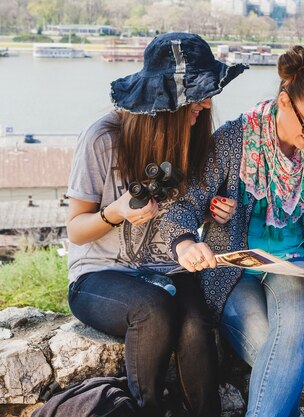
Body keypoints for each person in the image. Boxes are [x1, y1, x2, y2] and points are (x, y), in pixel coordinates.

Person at [159, 44, 304, 417]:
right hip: (234, 273)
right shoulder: (233, 140)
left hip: (298, 268)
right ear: (285, 102)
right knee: (282, 353)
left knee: (290, 336)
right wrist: (186, 241)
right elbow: (186, 204)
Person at [65, 32, 246, 417]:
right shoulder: (102, 138)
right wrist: (115, 212)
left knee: (197, 324)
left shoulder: (192, 138)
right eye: (198, 95)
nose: (209, 102)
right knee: (153, 310)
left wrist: (212, 211)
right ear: (166, 104)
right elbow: (76, 230)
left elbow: (182, 216)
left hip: (167, 266)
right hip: (101, 274)